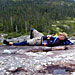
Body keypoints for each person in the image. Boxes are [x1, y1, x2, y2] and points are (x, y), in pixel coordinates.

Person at [3, 28, 73, 46]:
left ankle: (11, 43)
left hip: (39, 41)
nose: (60, 36)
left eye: (61, 36)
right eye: (60, 35)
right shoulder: (57, 38)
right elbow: (68, 40)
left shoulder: (58, 41)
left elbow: (51, 44)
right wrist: (50, 36)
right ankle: (31, 38)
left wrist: (49, 38)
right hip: (41, 36)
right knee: (33, 30)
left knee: (26, 42)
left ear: (63, 38)